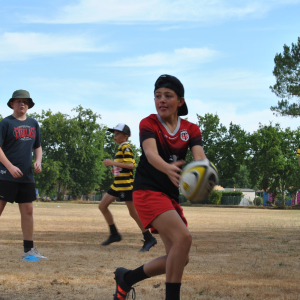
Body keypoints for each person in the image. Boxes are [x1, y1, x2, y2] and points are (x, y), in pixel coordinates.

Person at [113, 75, 207, 300]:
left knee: (180, 257)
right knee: (184, 239)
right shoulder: (148, 123)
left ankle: (126, 278)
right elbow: (150, 153)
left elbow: (200, 158)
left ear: (180, 101)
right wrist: (168, 168)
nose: (161, 100)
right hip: (147, 191)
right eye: (157, 96)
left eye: (168, 96)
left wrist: (204, 174)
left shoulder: (191, 129)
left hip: (169, 196)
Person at [0, 90, 48, 260]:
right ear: (12, 103)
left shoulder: (34, 123)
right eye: (19, 101)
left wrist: (38, 161)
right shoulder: (6, 123)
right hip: (6, 174)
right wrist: (10, 167)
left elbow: (38, 146)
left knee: (28, 211)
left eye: (25, 102)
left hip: (26, 175)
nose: (22, 104)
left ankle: (28, 251)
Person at [99, 123, 157, 252]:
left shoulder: (126, 147)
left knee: (133, 213)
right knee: (102, 206)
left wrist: (112, 163)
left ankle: (149, 238)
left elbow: (131, 165)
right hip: (117, 184)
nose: (115, 136)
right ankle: (114, 234)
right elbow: (123, 166)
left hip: (126, 185)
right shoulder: (120, 148)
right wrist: (115, 169)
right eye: (114, 134)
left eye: (117, 134)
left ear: (126, 136)